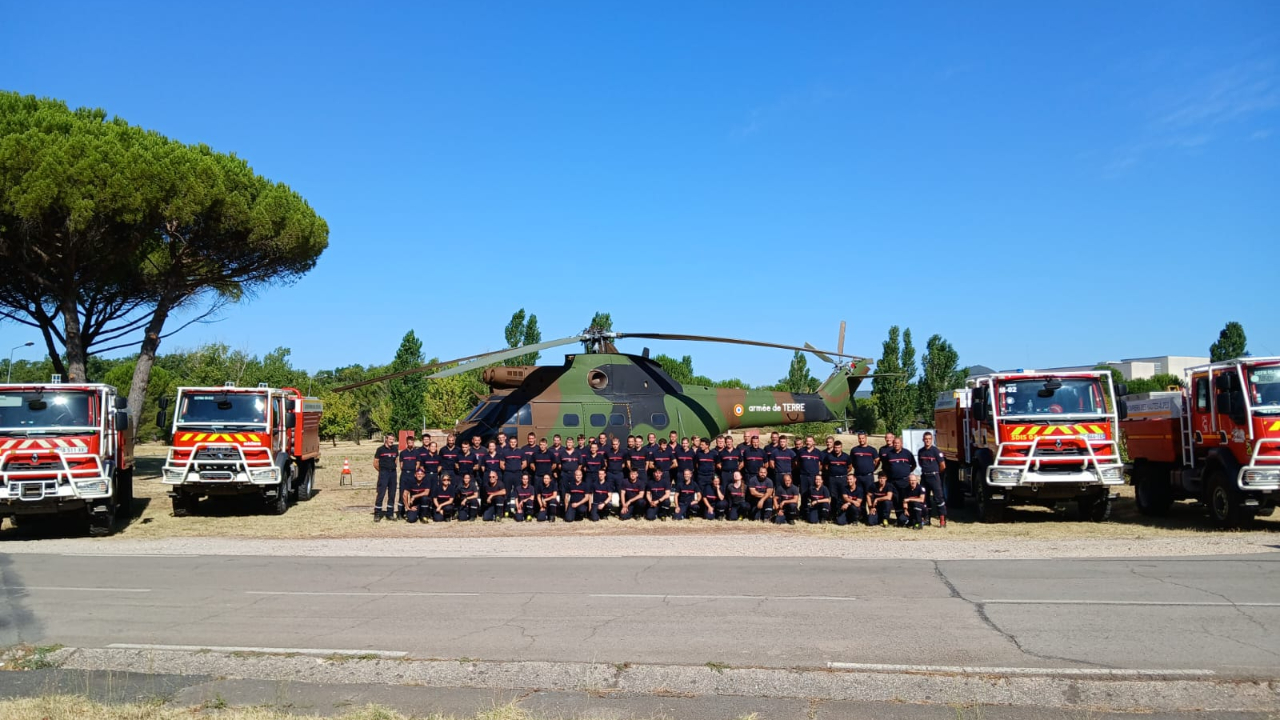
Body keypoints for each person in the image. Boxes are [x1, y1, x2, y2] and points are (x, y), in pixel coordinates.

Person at [881, 436, 917, 520]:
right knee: (896, 500)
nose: (896, 445)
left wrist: (907, 472)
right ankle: (899, 518)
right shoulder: (889, 454)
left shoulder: (907, 453)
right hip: (893, 482)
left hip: (904, 481)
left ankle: (908, 517)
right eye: (895, 443)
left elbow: (914, 464)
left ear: (901, 444)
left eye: (898, 443)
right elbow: (885, 467)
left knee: (904, 499)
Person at [917, 431, 947, 528]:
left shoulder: (936, 451)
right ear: (923, 440)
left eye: (929, 439)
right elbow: (920, 463)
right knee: (924, 499)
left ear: (932, 440)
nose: (927, 441)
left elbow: (942, 466)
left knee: (939, 498)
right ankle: (926, 519)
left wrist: (936, 472)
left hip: (934, 477)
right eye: (926, 439)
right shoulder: (920, 451)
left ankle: (942, 520)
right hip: (924, 477)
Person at [373, 434, 399, 522]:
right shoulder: (380, 449)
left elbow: (396, 460)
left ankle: (390, 513)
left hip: (393, 473)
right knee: (381, 493)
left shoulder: (395, 448)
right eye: (390, 439)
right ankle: (377, 513)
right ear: (386, 439)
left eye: (393, 439)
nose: (392, 441)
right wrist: (382, 471)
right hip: (384, 473)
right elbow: (375, 463)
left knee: (392, 494)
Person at [396, 434, 421, 519]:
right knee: (402, 493)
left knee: (413, 493)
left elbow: (418, 464)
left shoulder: (417, 453)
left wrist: (414, 471)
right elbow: (401, 465)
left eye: (412, 442)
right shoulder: (402, 453)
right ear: (407, 443)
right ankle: (401, 512)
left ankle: (411, 510)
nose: (410, 443)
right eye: (409, 442)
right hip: (404, 475)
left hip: (413, 474)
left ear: (413, 443)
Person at [849, 431, 878, 503]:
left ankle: (872, 512)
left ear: (866, 438)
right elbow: (851, 462)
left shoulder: (872, 450)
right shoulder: (854, 450)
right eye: (859, 438)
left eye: (863, 438)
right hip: (858, 476)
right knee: (859, 496)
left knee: (870, 495)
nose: (861, 440)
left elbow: (877, 461)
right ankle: (862, 513)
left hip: (868, 477)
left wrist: (872, 469)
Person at [824, 441, 850, 512]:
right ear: (833, 447)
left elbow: (849, 467)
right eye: (835, 447)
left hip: (843, 478)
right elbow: (826, 466)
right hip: (832, 479)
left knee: (842, 495)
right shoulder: (829, 456)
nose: (837, 449)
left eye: (838, 447)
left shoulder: (846, 456)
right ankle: (833, 513)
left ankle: (842, 512)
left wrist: (843, 472)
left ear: (841, 448)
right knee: (833, 496)